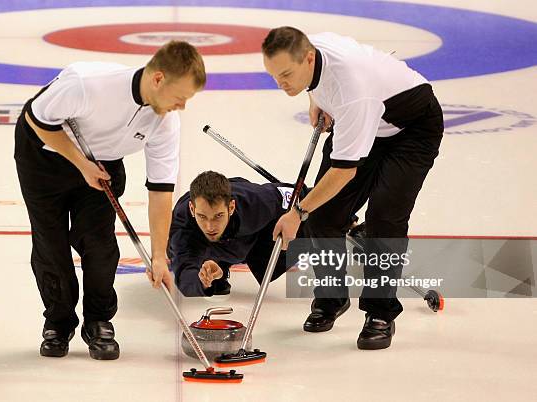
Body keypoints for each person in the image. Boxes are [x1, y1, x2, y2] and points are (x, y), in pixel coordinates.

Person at [14, 41, 205, 360]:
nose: (181, 106)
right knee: (51, 243)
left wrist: (159, 254)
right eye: (179, 97)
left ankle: (98, 321)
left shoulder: (165, 120)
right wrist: (80, 163)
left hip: (102, 163)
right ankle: (58, 323)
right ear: (158, 79)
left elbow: (161, 190)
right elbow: (36, 118)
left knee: (100, 243)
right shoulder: (86, 85)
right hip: (45, 155)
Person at [262, 27, 444, 350]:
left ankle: (380, 312)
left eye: (287, 75)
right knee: (324, 216)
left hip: (412, 130)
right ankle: (331, 299)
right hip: (369, 122)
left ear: (308, 58)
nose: (281, 84)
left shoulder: (352, 90)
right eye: (275, 76)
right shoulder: (310, 50)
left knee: (383, 218)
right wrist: (314, 97)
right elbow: (316, 80)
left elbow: (344, 172)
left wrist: (297, 212)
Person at [168, 171, 301, 297]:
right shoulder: (181, 225)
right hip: (199, 246)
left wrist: (298, 214)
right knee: (179, 253)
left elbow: (302, 195)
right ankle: (218, 267)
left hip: (251, 235)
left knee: (307, 222)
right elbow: (184, 272)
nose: (210, 226)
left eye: (218, 216)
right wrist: (201, 281)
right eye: (202, 216)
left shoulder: (256, 201)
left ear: (231, 207)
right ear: (192, 209)